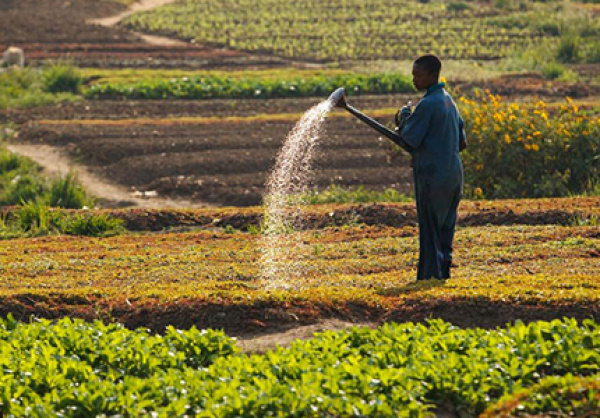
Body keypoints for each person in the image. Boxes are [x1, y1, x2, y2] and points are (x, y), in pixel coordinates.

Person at [396, 54, 467, 280]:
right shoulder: (449, 101)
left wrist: (404, 115)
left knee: (430, 230)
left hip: (433, 177)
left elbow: (409, 138)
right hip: (453, 175)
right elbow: (461, 142)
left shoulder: (427, 104)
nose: (414, 79)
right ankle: (442, 273)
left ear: (431, 75)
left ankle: (428, 276)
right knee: (445, 229)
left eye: (418, 75)